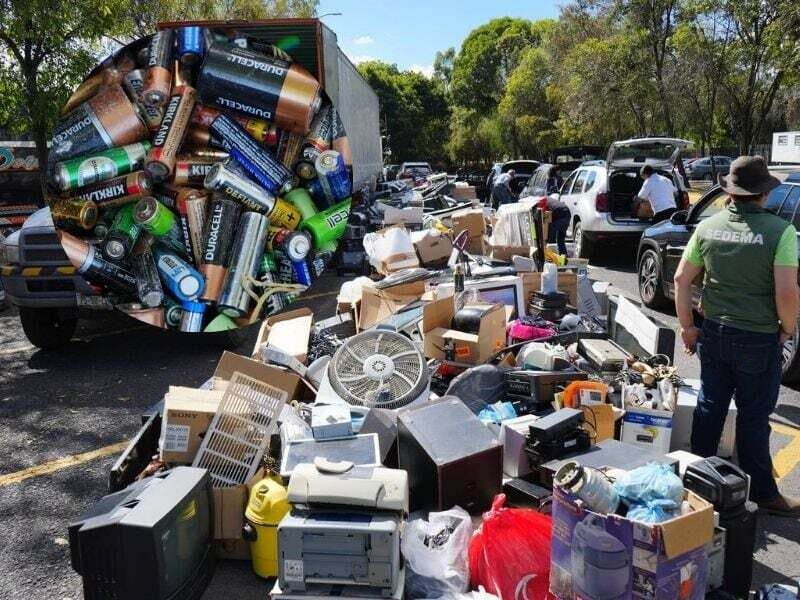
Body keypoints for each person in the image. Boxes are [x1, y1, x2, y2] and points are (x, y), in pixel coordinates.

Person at [673, 155, 800, 517]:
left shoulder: (709, 227)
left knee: (710, 410)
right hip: (758, 338)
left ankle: (694, 484)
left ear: (731, 191)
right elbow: (788, 293)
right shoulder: (781, 232)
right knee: (754, 418)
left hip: (715, 333)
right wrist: (787, 329)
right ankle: (763, 493)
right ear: (763, 195)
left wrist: (687, 326)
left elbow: (682, 280)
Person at [545, 167, 569, 256]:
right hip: (567, 214)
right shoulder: (551, 180)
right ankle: (564, 257)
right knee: (560, 239)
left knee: (550, 237)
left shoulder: (546, 201)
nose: (560, 172)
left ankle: (550, 256)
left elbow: (546, 216)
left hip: (560, 216)